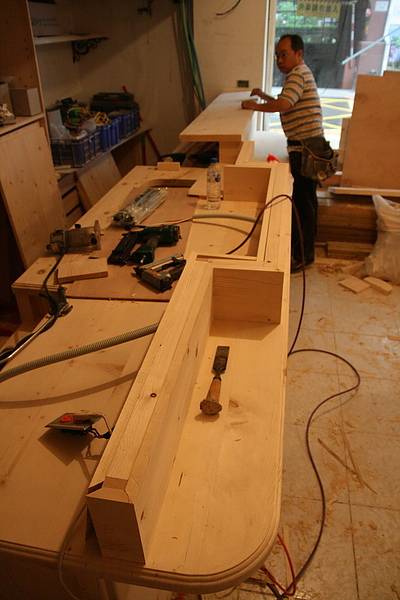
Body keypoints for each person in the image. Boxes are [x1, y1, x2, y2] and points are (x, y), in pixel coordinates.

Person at [242, 34, 325, 273]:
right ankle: (303, 252)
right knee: (305, 202)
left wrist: (255, 105)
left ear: (299, 54)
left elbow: (284, 104)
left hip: (306, 149)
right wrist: (263, 96)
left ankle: (302, 257)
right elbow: (285, 102)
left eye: (284, 54)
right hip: (308, 147)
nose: (279, 60)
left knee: (303, 205)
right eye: (277, 56)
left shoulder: (297, 74)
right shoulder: (298, 74)